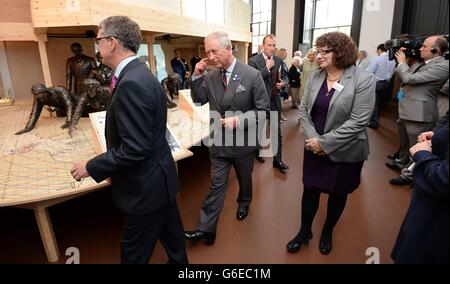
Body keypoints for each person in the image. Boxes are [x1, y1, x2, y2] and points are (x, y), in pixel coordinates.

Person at [70, 16, 188, 264]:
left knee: (133, 256)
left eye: (98, 39)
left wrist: (91, 167)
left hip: (145, 190)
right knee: (176, 249)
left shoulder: (131, 82)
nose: (97, 46)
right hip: (161, 182)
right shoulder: (142, 74)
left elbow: (135, 148)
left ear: (112, 42)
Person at [287, 32, 376, 255]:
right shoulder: (317, 76)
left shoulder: (363, 80)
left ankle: (327, 231)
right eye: (318, 50)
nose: (319, 55)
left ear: (341, 52)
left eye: (325, 51)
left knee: (338, 193)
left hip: (344, 148)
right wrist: (313, 139)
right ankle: (304, 231)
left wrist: (324, 143)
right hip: (313, 143)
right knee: (310, 190)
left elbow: (359, 121)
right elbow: (304, 110)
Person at [184, 31, 269, 245]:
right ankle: (206, 228)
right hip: (219, 143)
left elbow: (263, 111)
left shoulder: (251, 75)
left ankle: (244, 201)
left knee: (244, 178)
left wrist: (238, 120)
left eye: (215, 51)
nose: (210, 56)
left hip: (242, 142)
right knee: (216, 185)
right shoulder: (211, 75)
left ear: (229, 49)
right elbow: (198, 100)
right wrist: (195, 75)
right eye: (207, 52)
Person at [389, 35, 449, 186]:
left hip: (419, 114)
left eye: (424, 46)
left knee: (417, 146)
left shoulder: (443, 65)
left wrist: (402, 63)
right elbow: (404, 78)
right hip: (406, 108)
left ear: (436, 50)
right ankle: (402, 164)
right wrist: (405, 62)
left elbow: (410, 79)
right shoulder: (422, 63)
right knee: (404, 143)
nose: (420, 49)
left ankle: (409, 175)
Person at [391, 112, 448, 263]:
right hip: (426, 201)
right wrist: (437, 135)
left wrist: (422, 155)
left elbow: (444, 179)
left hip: (438, 215)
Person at [248, 35, 289, 173]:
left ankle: (277, 160)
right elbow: (252, 81)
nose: (272, 48)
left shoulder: (278, 60)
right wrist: (266, 68)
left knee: (276, 131)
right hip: (259, 102)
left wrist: (283, 84)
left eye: (274, 45)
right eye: (269, 45)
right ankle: (258, 152)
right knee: (259, 129)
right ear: (263, 46)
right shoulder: (253, 61)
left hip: (274, 101)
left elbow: (284, 77)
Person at [366, 44, 396, 129]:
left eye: (376, 51)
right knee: (379, 103)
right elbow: (393, 71)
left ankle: (374, 122)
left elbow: (369, 72)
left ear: (379, 50)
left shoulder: (377, 59)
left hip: (376, 83)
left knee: (373, 103)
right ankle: (376, 120)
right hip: (386, 84)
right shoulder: (392, 60)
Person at [277, 48, 290, 122]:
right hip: (280, 84)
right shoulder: (278, 62)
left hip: (284, 83)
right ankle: (279, 117)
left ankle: (280, 115)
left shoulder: (283, 62)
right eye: (285, 53)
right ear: (282, 54)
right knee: (279, 102)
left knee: (281, 101)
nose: (286, 55)